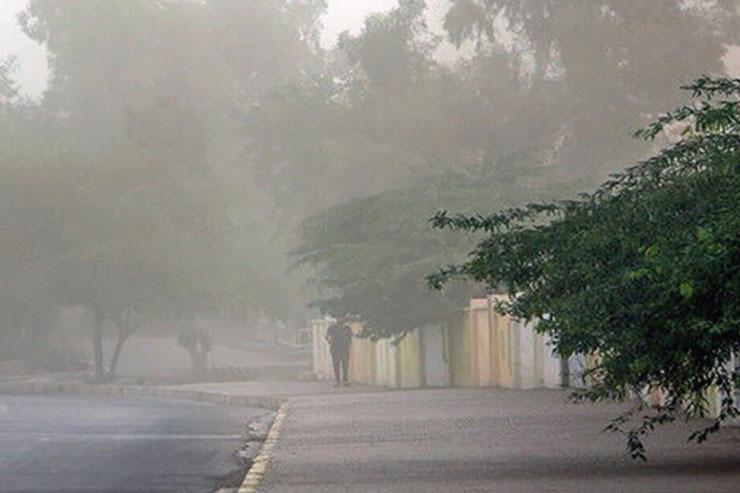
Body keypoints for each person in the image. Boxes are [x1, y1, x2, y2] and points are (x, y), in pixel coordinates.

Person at [325, 317, 353, 386]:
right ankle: (338, 380)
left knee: (345, 364)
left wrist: (348, 344)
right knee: (336, 364)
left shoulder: (347, 328)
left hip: (344, 348)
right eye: (339, 318)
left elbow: (350, 337)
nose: (340, 320)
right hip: (335, 348)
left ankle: (345, 380)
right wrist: (331, 343)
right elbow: (327, 337)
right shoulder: (332, 328)